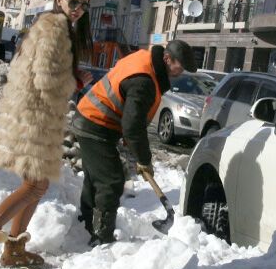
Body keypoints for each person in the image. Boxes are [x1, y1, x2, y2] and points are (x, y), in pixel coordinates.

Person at [0, 0, 95, 269]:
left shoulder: (54, 26)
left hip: (37, 115)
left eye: (85, 5)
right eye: (74, 2)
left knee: (39, 184)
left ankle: (14, 249)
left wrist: (73, 75)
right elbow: (46, 78)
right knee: (34, 185)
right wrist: (76, 82)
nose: (79, 9)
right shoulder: (54, 28)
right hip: (35, 117)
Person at [72, 39, 197, 245]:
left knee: (97, 177)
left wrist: (136, 152)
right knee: (111, 181)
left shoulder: (146, 60)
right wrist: (144, 159)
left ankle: (86, 224)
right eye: (179, 66)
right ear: (167, 59)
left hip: (94, 119)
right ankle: (102, 238)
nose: (180, 72)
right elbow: (133, 127)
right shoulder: (144, 80)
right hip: (94, 123)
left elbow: (130, 119)